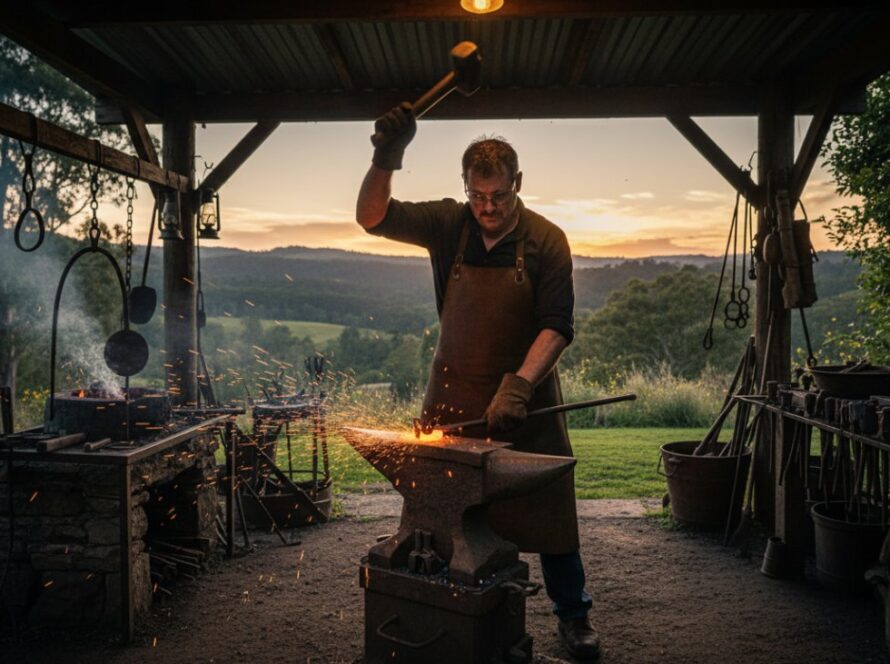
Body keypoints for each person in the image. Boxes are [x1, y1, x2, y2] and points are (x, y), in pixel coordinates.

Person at [355, 102, 600, 661]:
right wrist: (386, 156)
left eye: (499, 196)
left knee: (553, 519)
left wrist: (519, 386)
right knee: (437, 519)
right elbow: (372, 216)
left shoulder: (547, 240)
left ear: (518, 184)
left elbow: (556, 326)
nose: (488, 208)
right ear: (465, 187)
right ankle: (438, 611)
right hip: (450, 403)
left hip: (525, 406)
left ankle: (574, 615)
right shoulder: (449, 223)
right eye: (477, 196)